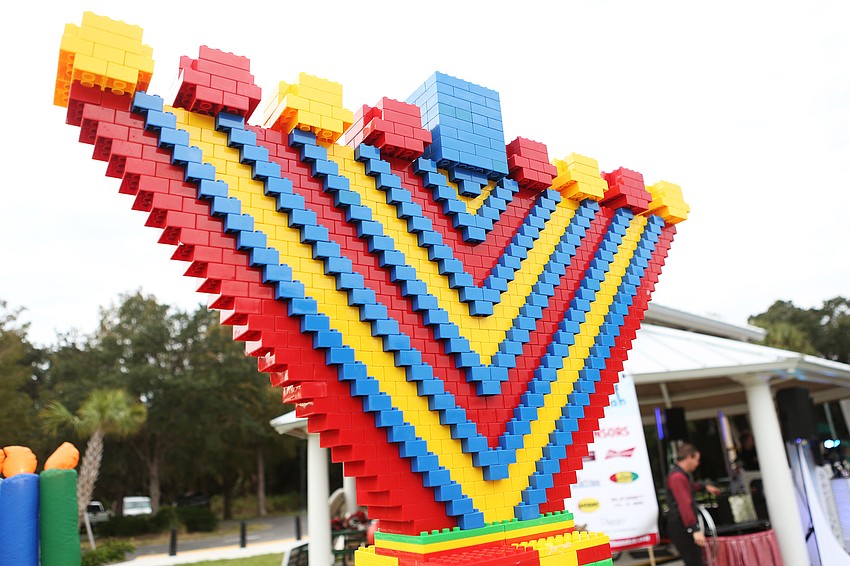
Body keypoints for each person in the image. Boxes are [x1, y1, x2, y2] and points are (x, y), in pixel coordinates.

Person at [666, 443, 722, 566]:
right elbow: (684, 504)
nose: (698, 463)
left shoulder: (680, 476)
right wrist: (694, 529)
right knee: (694, 561)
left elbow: (690, 488)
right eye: (696, 459)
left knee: (696, 560)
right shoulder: (677, 477)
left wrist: (704, 487)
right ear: (688, 457)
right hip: (681, 525)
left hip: (683, 525)